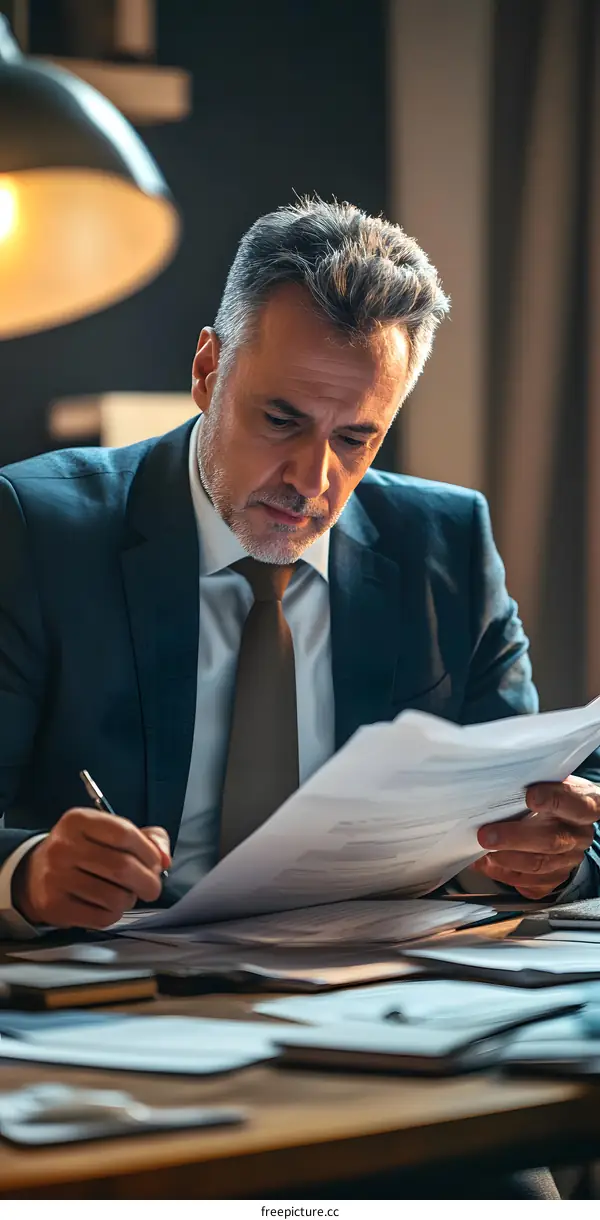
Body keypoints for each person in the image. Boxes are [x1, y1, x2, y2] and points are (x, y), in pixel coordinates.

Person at [0, 196, 599, 937]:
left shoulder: (445, 543)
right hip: (114, 998)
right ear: (207, 368)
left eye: (355, 438)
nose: (312, 481)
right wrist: (24, 873)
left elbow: (537, 806)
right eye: (282, 420)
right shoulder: (37, 528)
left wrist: (552, 855)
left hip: (375, 995)